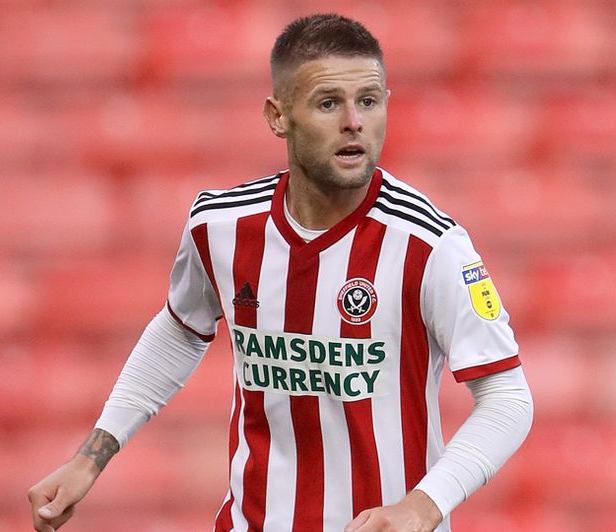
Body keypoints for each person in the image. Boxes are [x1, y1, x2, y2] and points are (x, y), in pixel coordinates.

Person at [28, 13, 533, 532]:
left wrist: (421, 507)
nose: (354, 122)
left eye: (369, 100)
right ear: (278, 116)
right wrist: (91, 457)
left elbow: (508, 399)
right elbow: (180, 331)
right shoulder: (221, 227)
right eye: (328, 103)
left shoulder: (430, 245)